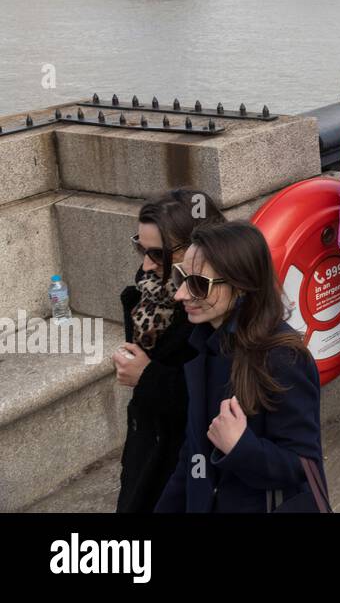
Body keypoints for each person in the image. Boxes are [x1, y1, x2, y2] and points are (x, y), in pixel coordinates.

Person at [155, 221, 323, 512]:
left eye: (198, 284)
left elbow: (303, 465)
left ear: (241, 286)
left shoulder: (283, 358)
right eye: (181, 277)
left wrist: (241, 447)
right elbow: (193, 454)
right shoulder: (204, 346)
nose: (180, 294)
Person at [114, 189, 227, 513]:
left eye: (158, 255)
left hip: (188, 461)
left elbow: (217, 398)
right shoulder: (147, 292)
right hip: (148, 447)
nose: (147, 265)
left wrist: (148, 376)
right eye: (140, 247)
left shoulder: (211, 305)